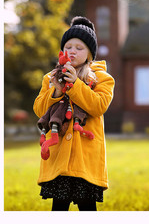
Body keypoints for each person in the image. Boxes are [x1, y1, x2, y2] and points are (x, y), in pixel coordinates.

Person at [33, 16, 115, 211]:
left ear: (89, 54)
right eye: (68, 47)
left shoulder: (102, 79)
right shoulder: (51, 78)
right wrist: (57, 91)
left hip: (85, 161)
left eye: (79, 48)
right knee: (59, 208)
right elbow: (39, 109)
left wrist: (75, 85)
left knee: (87, 208)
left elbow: (98, 106)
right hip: (58, 157)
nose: (72, 52)